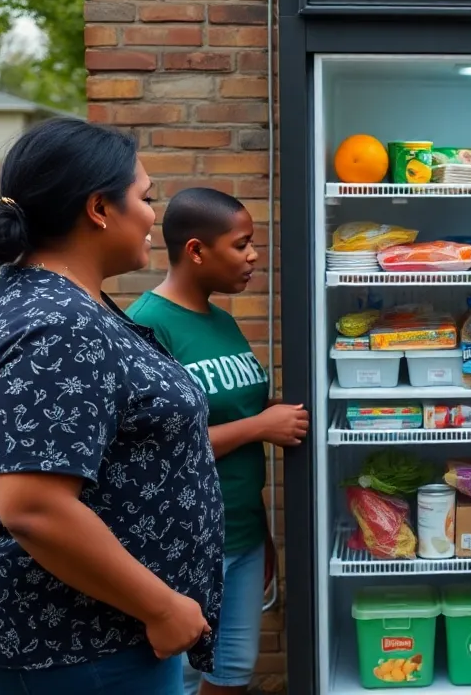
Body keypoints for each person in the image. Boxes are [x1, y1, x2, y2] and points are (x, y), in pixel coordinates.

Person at [0, 118, 223, 695]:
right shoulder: (58, 326)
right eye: (145, 198)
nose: (153, 216)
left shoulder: (54, 298)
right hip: (76, 640)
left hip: (95, 630)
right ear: (99, 208)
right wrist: (163, 607)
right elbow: (35, 507)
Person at [127, 188, 309, 695]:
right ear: (196, 250)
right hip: (185, 540)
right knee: (181, 676)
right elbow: (155, 450)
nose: (253, 256)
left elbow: (243, 416)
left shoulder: (223, 321)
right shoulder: (148, 325)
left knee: (231, 672)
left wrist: (263, 534)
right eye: (241, 244)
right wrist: (261, 427)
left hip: (243, 533)